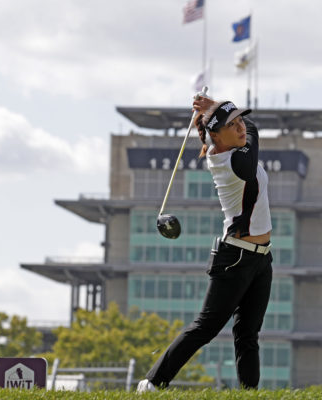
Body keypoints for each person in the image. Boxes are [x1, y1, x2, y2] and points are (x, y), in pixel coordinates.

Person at [137, 96, 273, 392]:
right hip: (235, 258)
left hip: (261, 259)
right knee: (206, 328)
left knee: (248, 333)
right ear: (215, 135)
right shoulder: (236, 161)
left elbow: (247, 129)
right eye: (232, 125)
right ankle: (152, 382)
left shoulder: (229, 147)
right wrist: (216, 110)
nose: (240, 128)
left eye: (239, 121)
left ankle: (250, 394)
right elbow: (254, 132)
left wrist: (216, 107)